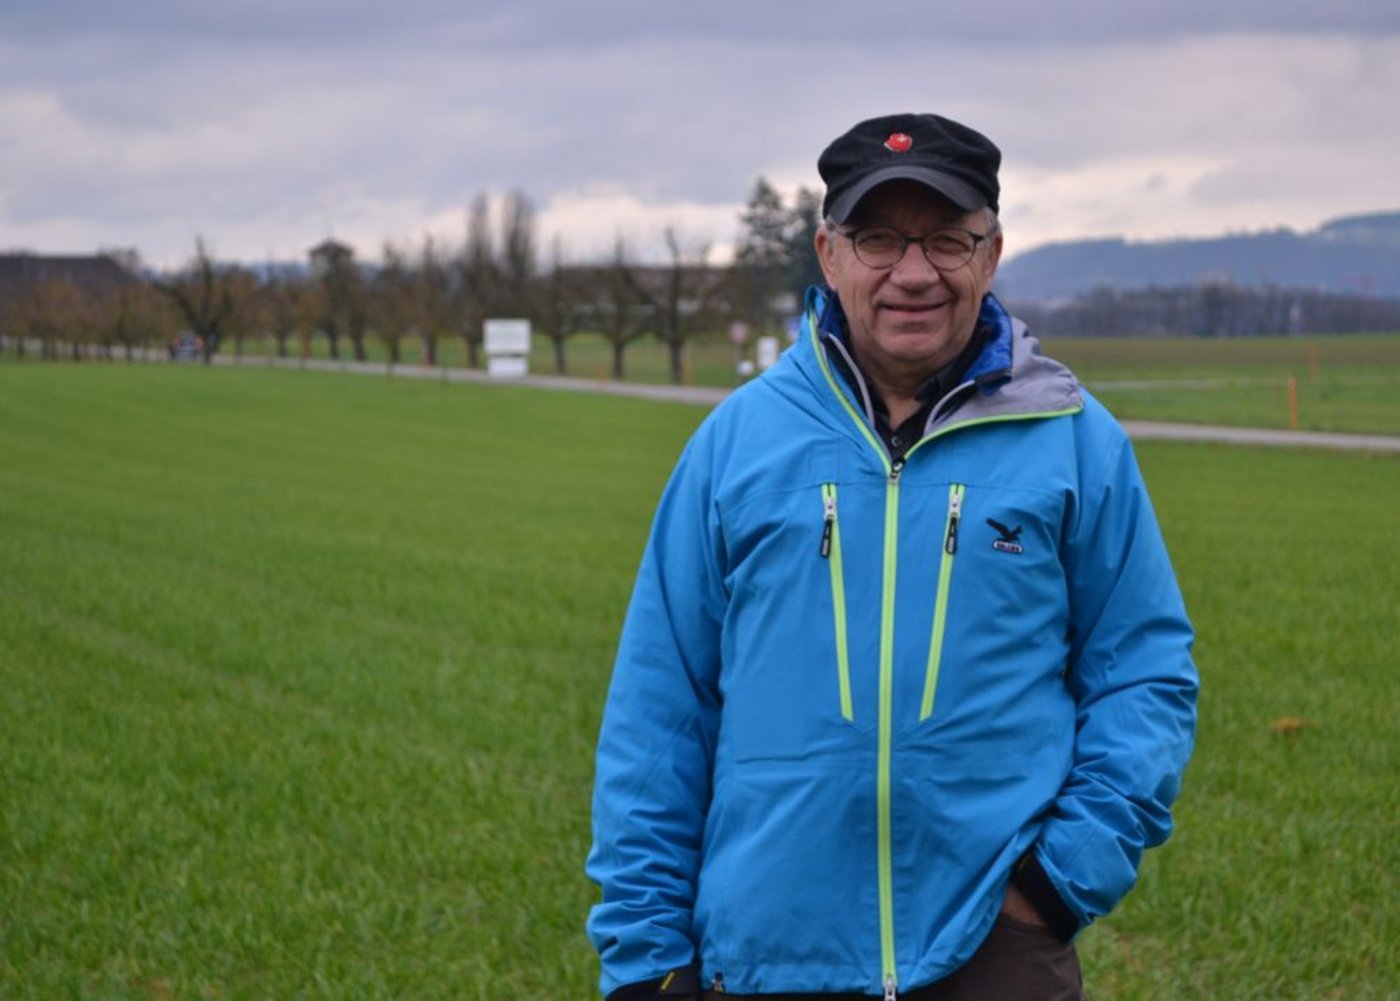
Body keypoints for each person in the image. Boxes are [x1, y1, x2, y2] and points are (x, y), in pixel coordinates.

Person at [586, 112, 1198, 1000]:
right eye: (879, 239)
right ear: (828, 254)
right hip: (765, 954)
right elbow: (660, 709)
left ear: (991, 255)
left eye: (947, 239)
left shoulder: (1074, 441)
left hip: (995, 950)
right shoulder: (734, 445)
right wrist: (647, 958)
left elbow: (1144, 675)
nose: (914, 272)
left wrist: (1055, 886)